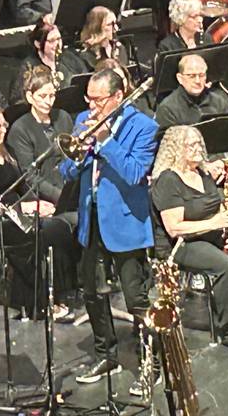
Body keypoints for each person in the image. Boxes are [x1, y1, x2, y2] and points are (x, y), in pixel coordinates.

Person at [59, 69, 158, 394]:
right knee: (94, 293)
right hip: (93, 219)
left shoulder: (144, 127)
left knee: (135, 297)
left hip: (127, 222)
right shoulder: (85, 119)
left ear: (117, 97)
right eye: (89, 98)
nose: (92, 105)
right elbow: (67, 170)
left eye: (99, 99)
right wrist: (79, 154)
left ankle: (150, 363)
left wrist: (105, 142)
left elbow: (133, 174)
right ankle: (106, 355)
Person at [151, 126, 228, 351]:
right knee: (227, 266)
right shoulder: (168, 180)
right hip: (181, 245)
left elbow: (216, 208)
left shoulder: (202, 173)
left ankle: (223, 297)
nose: (197, 149)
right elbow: (175, 228)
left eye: (198, 144)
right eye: (190, 145)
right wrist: (215, 224)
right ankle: (227, 329)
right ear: (175, 150)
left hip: (210, 233)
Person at [0, 104, 78, 320]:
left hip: (18, 215)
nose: (2, 131)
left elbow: (23, 186)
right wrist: (24, 207)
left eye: (3, 125)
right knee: (40, 235)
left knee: (60, 227)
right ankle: (35, 302)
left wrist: (39, 204)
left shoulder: (7, 151)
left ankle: (58, 294)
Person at [6, 67, 74, 204]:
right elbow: (29, 176)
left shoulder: (63, 117)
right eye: (42, 96)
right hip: (43, 199)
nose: (48, 102)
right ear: (30, 97)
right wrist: (60, 197)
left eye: (52, 96)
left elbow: (72, 157)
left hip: (69, 188)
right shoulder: (20, 129)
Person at [8, 20, 85, 105]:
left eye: (58, 39)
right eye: (51, 41)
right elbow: (17, 101)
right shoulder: (28, 67)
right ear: (38, 44)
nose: (57, 44)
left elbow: (84, 81)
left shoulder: (70, 58)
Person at [155, 54, 228, 130]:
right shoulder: (167, 109)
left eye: (201, 75)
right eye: (191, 76)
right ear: (180, 78)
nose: (197, 81)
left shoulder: (220, 99)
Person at [77, 6, 128, 70]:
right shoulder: (84, 57)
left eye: (115, 23)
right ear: (96, 28)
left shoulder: (120, 48)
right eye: (109, 24)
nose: (116, 29)